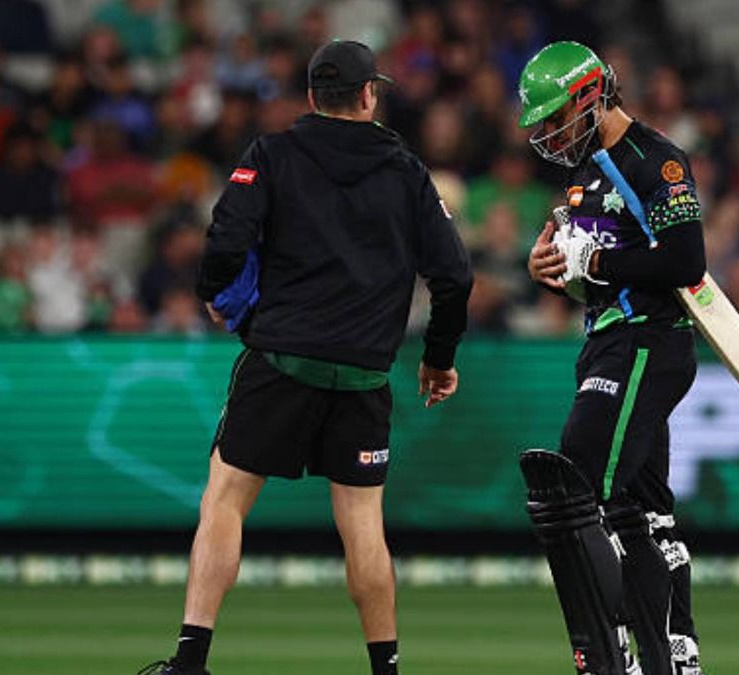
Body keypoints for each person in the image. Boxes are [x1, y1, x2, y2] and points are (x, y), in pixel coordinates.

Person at [138, 40, 473, 675]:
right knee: (363, 527)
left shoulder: (273, 154)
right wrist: (437, 358)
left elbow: (225, 237)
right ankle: (386, 669)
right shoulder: (405, 171)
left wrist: (216, 294)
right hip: (365, 375)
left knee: (225, 500)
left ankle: (190, 659)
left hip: (281, 360)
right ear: (368, 95)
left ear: (313, 96)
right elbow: (454, 276)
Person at [519, 41, 706, 675]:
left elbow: (685, 263)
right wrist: (554, 267)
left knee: (575, 493)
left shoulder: (655, 161)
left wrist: (592, 262)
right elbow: (591, 272)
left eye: (552, 118)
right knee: (640, 510)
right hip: (606, 337)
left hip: (647, 342)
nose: (546, 135)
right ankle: (672, 658)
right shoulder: (585, 174)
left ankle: (607, 658)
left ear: (590, 96)